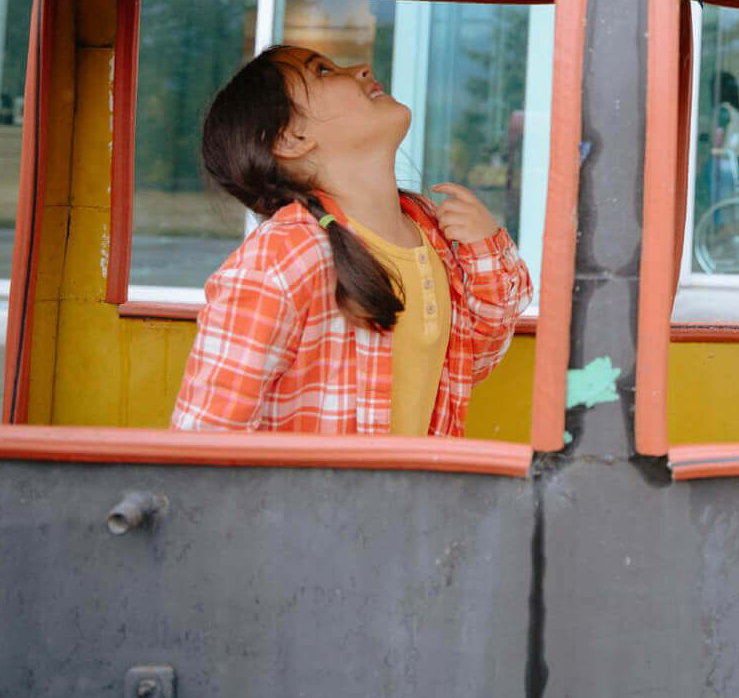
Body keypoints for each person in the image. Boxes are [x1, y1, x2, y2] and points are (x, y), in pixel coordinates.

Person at [171, 45, 531, 434]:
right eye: (323, 71)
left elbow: (467, 365)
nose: (362, 68)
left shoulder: (429, 228)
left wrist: (486, 250)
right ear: (291, 138)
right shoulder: (282, 257)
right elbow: (205, 437)